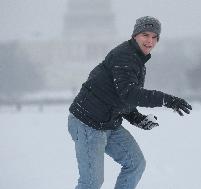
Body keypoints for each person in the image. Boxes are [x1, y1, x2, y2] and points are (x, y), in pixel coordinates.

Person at [68, 16, 192, 189]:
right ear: (135, 35)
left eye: (154, 37)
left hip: (109, 123)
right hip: (88, 124)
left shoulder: (137, 59)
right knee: (91, 182)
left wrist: (137, 118)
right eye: (145, 35)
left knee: (135, 164)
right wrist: (167, 100)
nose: (150, 41)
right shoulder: (124, 56)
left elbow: (118, 96)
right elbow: (130, 94)